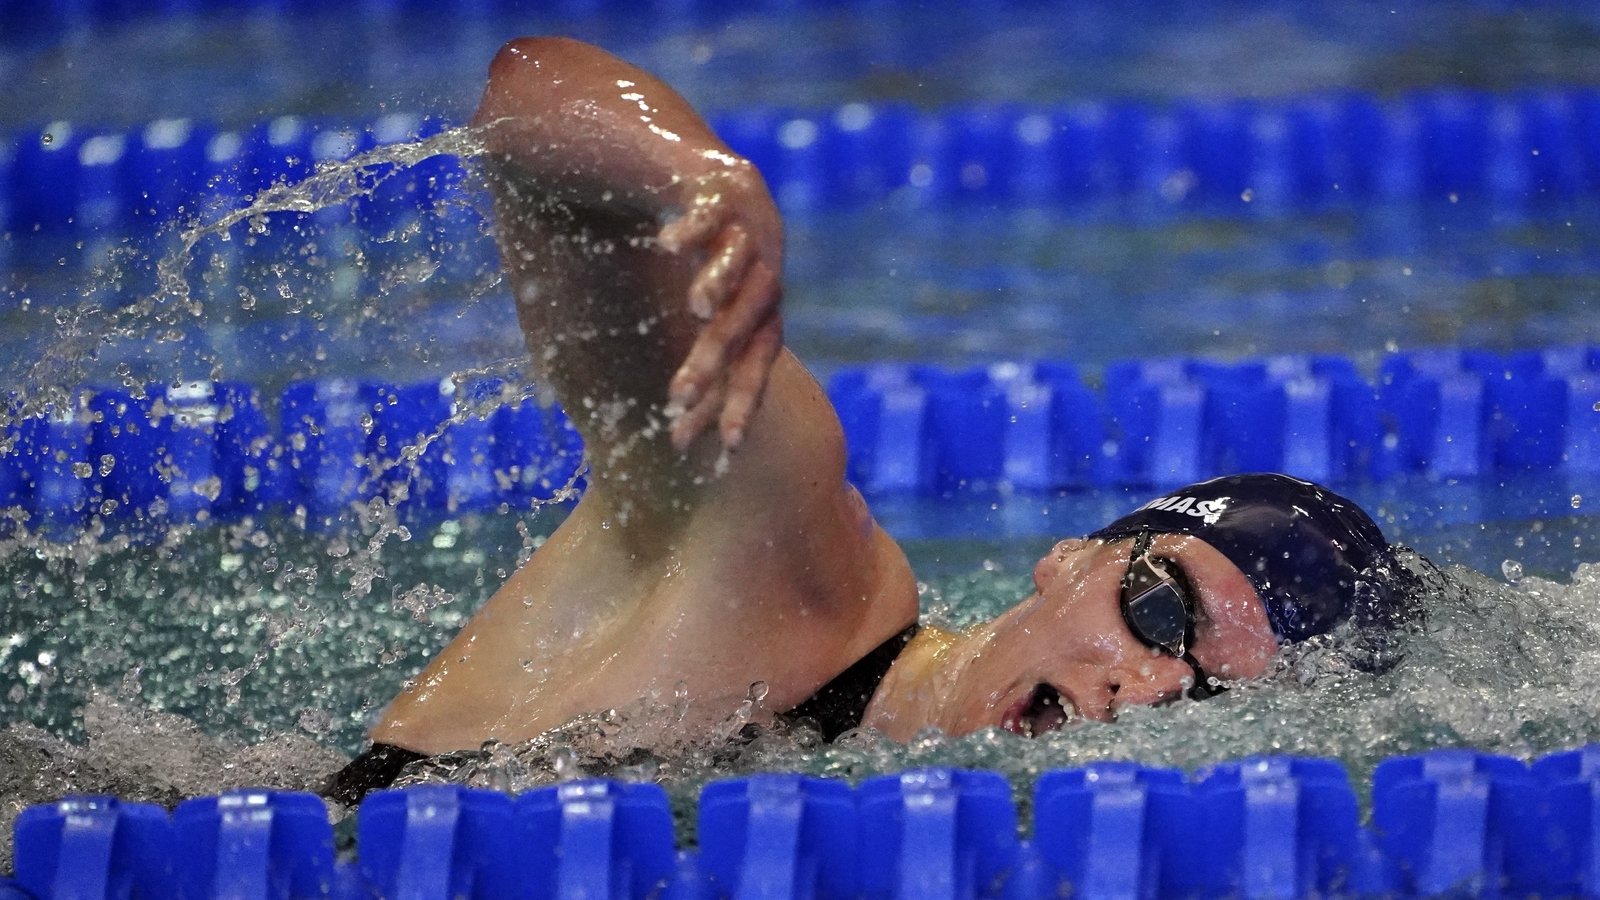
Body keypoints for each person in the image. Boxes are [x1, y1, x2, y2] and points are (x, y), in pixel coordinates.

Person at [324, 37, 1421, 804]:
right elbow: (525, 94)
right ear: (1070, 559)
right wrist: (694, 173)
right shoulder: (785, 559)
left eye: (1205, 696)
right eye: (1159, 610)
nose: (1141, 690)